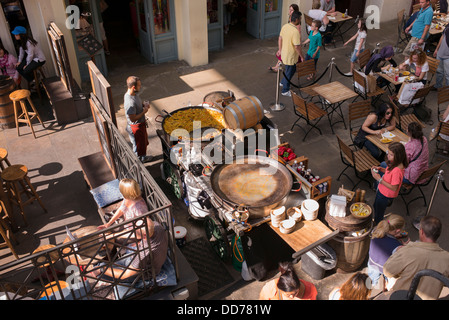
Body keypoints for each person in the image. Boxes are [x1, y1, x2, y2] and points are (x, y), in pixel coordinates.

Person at [383, 216, 449, 300]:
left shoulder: (407, 250)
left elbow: (387, 271)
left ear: (421, 231)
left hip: (401, 296)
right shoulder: (447, 258)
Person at [89, 216, 168, 281]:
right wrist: (112, 236)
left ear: (144, 236)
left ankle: (99, 270)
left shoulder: (143, 254)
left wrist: (103, 269)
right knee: (104, 265)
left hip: (144, 274)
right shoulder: (156, 226)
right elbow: (135, 234)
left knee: (101, 272)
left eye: (134, 229)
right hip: (145, 259)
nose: (131, 229)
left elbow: (125, 275)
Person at [371, 142, 408, 225]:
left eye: (391, 154)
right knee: (376, 206)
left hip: (385, 194)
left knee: (379, 212)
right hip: (382, 191)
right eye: (388, 153)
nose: (388, 156)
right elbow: (389, 172)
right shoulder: (395, 163)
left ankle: (378, 226)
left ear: (398, 156)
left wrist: (379, 179)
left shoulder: (397, 171)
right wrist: (382, 169)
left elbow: (394, 187)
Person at [367, 214, 408, 288]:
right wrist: (404, 246)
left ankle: (370, 288)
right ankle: (386, 285)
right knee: (388, 279)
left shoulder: (377, 230)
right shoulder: (396, 246)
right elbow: (400, 255)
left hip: (372, 263)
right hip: (385, 268)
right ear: (398, 231)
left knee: (371, 281)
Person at [124, 76, 152, 163]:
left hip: (140, 125)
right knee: (137, 147)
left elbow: (137, 106)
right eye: (139, 86)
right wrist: (144, 111)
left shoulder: (133, 94)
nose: (140, 87)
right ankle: (138, 163)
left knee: (143, 144)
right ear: (133, 87)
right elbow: (132, 119)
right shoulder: (130, 103)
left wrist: (143, 104)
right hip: (135, 128)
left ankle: (143, 157)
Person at [269, 4, 301, 72]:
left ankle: (278, 67)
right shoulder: (290, 19)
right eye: (289, 9)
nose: (289, 11)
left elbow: (297, 35)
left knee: (291, 57)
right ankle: (278, 66)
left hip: (291, 43)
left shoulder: (296, 23)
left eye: (291, 10)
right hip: (287, 42)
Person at [278, 10, 303, 97]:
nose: (300, 21)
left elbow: (280, 38)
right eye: (300, 19)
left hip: (284, 54)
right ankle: (285, 90)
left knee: (288, 71)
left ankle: (283, 82)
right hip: (291, 56)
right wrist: (301, 56)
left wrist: (280, 50)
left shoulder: (285, 26)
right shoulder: (295, 31)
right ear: (296, 19)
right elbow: (297, 46)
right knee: (290, 72)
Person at [433, 23, 449, 90]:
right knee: (439, 71)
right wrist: (437, 49)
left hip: (448, 56)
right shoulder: (448, 25)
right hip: (440, 53)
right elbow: (442, 36)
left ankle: (447, 92)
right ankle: (438, 86)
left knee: (448, 75)